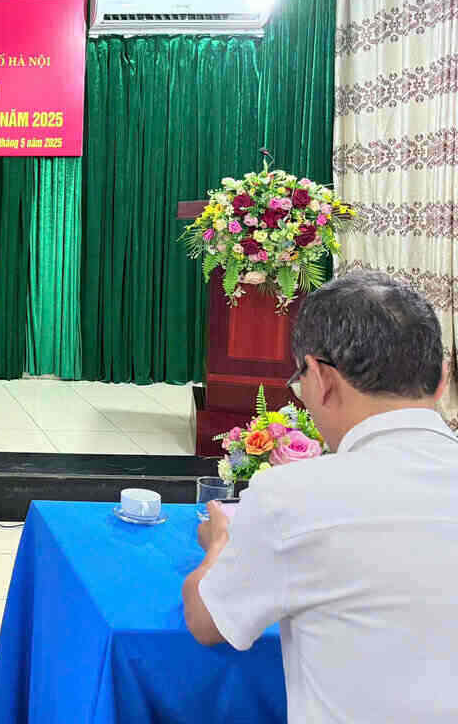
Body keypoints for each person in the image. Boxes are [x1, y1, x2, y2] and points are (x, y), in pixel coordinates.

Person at [182, 270, 457, 723]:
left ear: (322, 378)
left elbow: (206, 620)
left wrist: (219, 546)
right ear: (442, 378)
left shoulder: (293, 495)